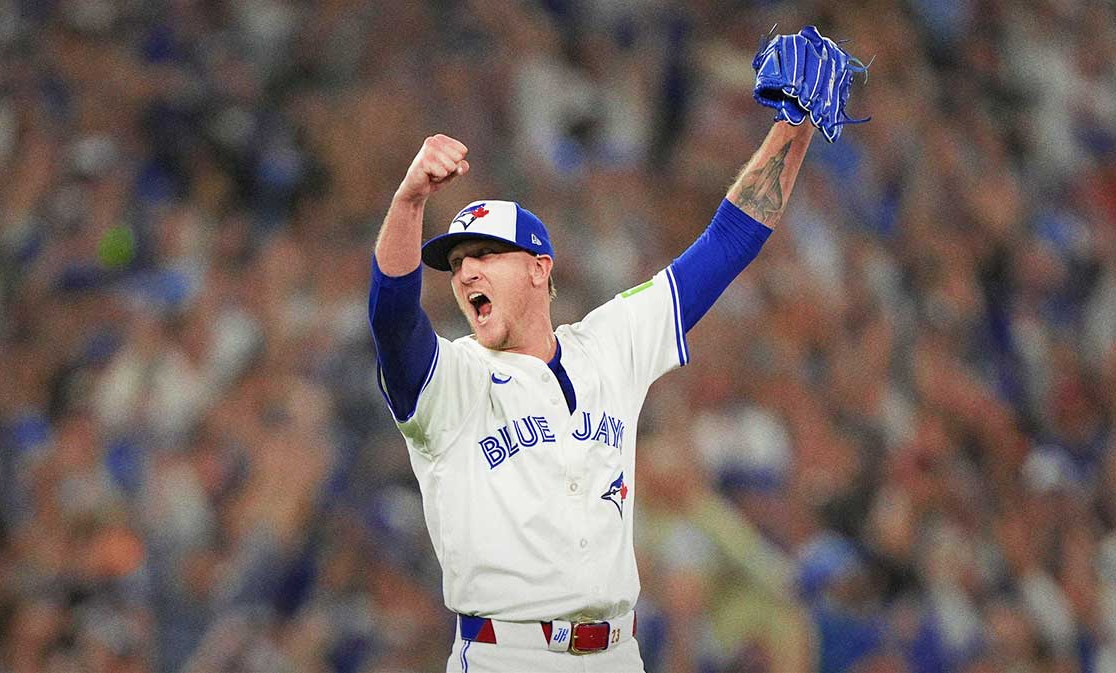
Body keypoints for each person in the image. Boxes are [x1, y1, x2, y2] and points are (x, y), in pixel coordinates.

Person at [367, 25, 866, 673]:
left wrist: (792, 129)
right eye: (457, 262)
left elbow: (726, 244)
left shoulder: (609, 343)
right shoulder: (448, 381)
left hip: (614, 654)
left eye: (487, 254)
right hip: (505, 655)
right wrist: (409, 205)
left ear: (541, 270)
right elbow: (391, 316)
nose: (465, 272)